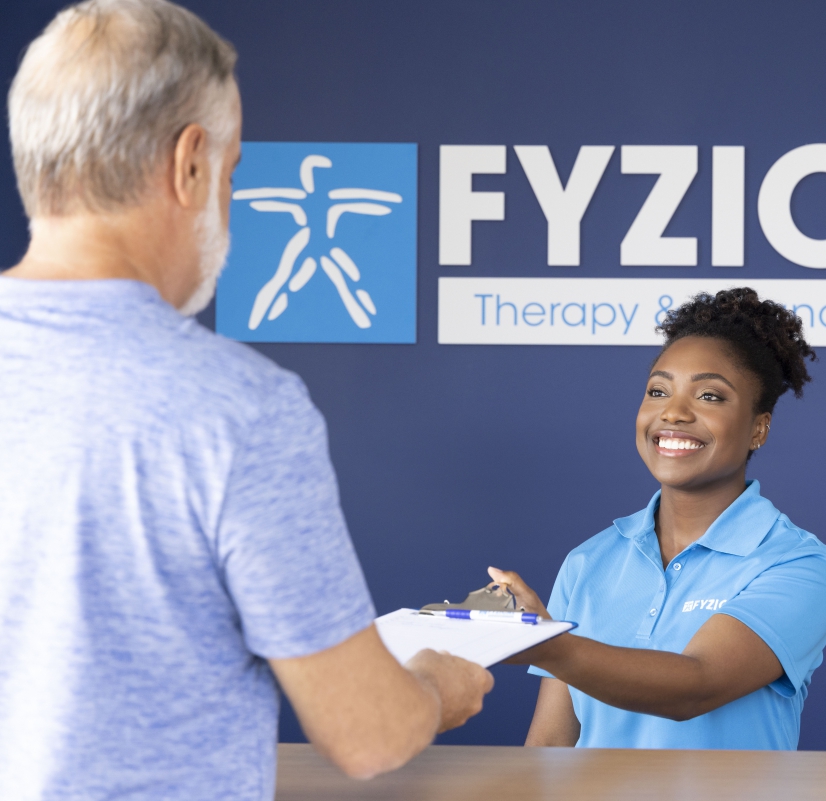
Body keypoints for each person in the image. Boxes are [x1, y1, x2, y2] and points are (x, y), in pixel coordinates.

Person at [0, 2, 492, 799]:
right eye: (232, 175)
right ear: (190, 163)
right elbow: (367, 732)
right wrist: (437, 684)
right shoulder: (238, 411)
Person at [491, 288, 826, 749]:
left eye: (710, 396)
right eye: (658, 391)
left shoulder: (797, 563)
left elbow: (697, 685)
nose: (673, 413)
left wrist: (550, 646)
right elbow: (550, 743)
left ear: (758, 428)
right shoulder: (589, 561)